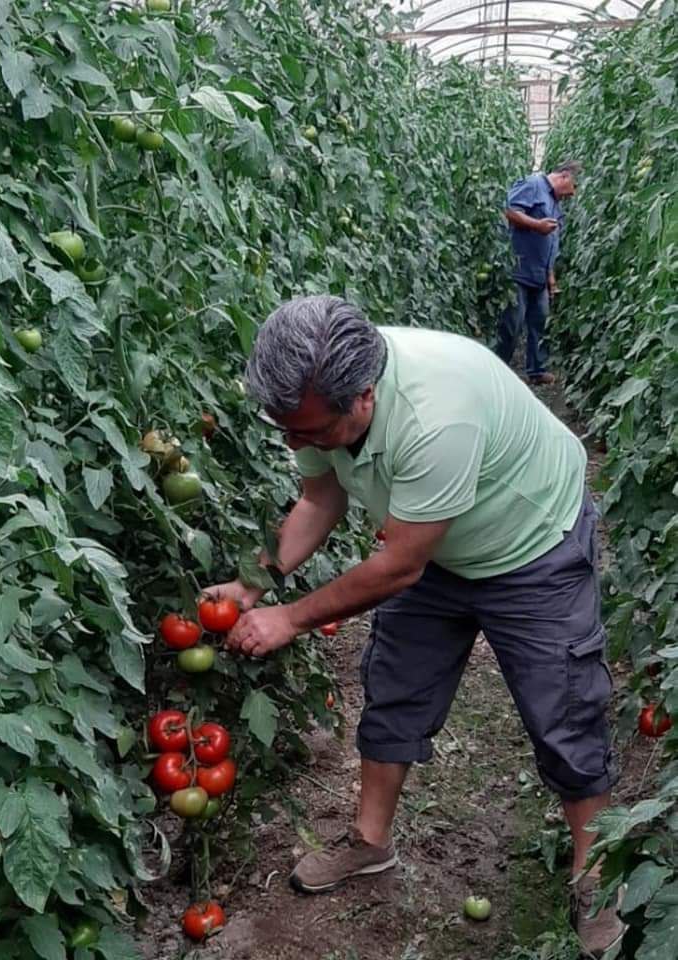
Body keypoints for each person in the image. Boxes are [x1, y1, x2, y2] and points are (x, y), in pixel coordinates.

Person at [210, 295, 623, 958]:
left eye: (309, 432)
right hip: (433, 542)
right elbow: (321, 497)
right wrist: (256, 581)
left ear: (364, 399)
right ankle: (369, 846)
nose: (295, 443)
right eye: (287, 429)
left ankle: (597, 880)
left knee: (564, 709)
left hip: (531, 541)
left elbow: (397, 568)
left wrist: (289, 616)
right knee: (395, 685)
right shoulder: (316, 400)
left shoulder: (435, 418)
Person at [496, 161, 579, 386]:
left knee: (539, 322)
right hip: (519, 270)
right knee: (512, 325)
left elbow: (551, 242)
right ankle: (495, 371)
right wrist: (536, 225)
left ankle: (536, 371)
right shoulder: (533, 184)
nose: (573, 193)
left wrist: (550, 276)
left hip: (540, 275)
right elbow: (509, 210)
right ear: (564, 176)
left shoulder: (554, 201)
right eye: (574, 186)